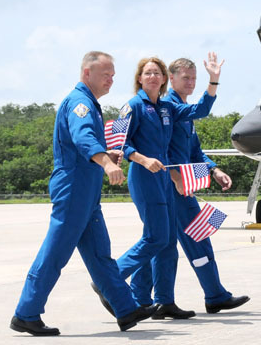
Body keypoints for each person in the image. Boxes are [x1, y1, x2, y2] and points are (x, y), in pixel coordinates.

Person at [11, 51, 156, 336]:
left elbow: (87, 140)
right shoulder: (80, 103)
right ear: (87, 74)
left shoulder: (90, 102)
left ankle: (126, 310)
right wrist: (104, 162)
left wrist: (108, 153)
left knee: (100, 254)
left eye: (113, 76)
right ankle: (26, 313)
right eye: (106, 75)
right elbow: (83, 137)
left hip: (86, 192)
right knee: (56, 252)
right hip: (74, 189)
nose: (111, 81)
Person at [90, 55, 221, 319]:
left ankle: (164, 302)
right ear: (139, 78)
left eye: (157, 73)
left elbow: (201, 110)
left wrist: (213, 79)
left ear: (163, 79)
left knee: (168, 242)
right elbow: (117, 142)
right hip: (143, 177)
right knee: (156, 238)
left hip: (163, 179)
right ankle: (110, 280)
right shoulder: (132, 106)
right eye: (148, 73)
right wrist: (141, 158)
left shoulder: (166, 108)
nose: (153, 77)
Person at [131, 58, 250, 318]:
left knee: (181, 238)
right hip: (169, 183)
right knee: (167, 240)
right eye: (186, 78)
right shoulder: (167, 107)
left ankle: (209, 295)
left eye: (194, 78)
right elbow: (158, 148)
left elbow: (193, 150)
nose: (191, 82)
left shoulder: (182, 109)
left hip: (183, 184)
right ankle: (140, 296)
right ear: (170, 79)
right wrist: (175, 176)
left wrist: (214, 170)